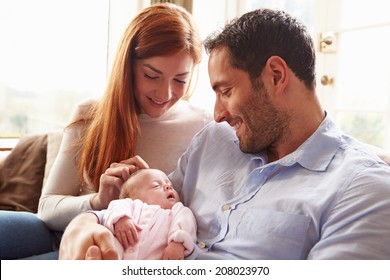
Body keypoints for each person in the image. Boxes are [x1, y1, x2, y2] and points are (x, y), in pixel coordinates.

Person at [59, 8, 390, 260]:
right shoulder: (213, 141)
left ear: (276, 76)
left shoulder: (363, 191)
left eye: (226, 91)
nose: (217, 114)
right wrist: (84, 224)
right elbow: (145, 203)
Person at [0, 3, 211, 260]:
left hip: (121, 252)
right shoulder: (90, 114)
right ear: (128, 66)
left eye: (180, 79)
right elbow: (47, 207)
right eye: (151, 75)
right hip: (63, 234)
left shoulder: (203, 126)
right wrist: (99, 201)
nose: (165, 94)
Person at [101, 168, 196, 260]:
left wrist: (177, 244)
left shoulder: (177, 210)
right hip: (118, 255)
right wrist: (122, 219)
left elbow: (185, 223)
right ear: (134, 198)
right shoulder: (132, 205)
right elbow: (116, 206)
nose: (168, 187)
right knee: (107, 248)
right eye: (156, 185)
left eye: (170, 185)